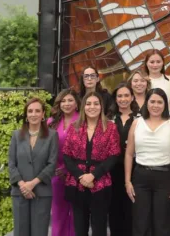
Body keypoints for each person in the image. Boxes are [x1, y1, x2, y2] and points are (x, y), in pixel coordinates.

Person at [124, 89, 170, 236]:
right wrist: (127, 181)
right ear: (146, 103)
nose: (155, 105)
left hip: (164, 177)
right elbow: (129, 154)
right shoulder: (137, 123)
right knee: (140, 222)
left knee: (163, 223)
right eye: (152, 101)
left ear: (165, 105)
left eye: (159, 102)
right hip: (140, 177)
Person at [63, 93, 121, 236]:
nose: (92, 107)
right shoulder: (74, 127)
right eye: (88, 104)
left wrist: (93, 175)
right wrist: (81, 176)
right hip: (77, 183)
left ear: (101, 106)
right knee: (80, 228)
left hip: (100, 183)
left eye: (96, 103)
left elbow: (114, 155)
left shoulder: (111, 127)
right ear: (83, 107)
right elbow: (66, 155)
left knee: (99, 228)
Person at [8, 97, 58, 236]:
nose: (33, 114)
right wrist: (23, 185)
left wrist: (32, 184)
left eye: (37, 111)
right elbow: (11, 163)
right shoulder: (16, 135)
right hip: (20, 192)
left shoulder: (52, 136)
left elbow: (52, 164)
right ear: (26, 114)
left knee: (39, 232)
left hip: (42, 192)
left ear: (43, 114)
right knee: (21, 232)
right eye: (30, 111)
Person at [47, 89, 80, 236]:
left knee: (76, 214)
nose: (67, 104)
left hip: (77, 173)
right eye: (63, 101)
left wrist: (68, 168)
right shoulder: (51, 123)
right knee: (58, 213)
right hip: (56, 173)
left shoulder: (83, 121)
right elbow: (45, 148)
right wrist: (55, 168)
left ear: (76, 104)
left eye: (70, 100)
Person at [109, 83, 139, 236]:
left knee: (131, 209)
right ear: (115, 99)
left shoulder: (140, 118)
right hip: (112, 170)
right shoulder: (109, 119)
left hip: (134, 170)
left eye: (126, 95)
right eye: (119, 96)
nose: (123, 99)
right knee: (114, 209)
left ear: (132, 97)